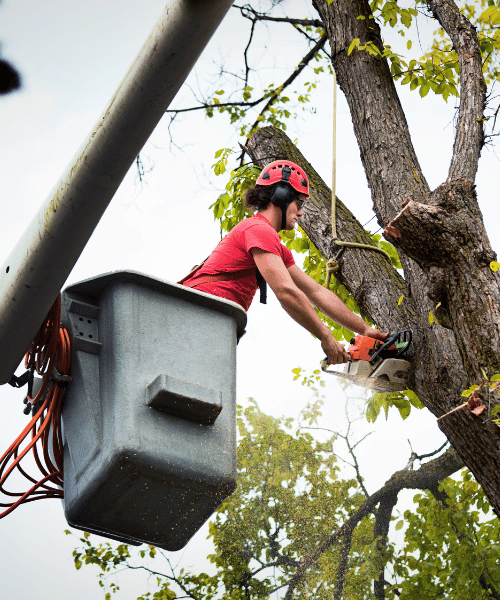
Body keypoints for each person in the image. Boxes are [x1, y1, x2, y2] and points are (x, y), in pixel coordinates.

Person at [182, 160, 387, 365]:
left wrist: (364, 329)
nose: (300, 213)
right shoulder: (259, 230)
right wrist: (326, 336)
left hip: (210, 319)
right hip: (193, 314)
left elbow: (316, 291)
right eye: (299, 204)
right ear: (281, 196)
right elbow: (286, 292)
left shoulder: (273, 246)